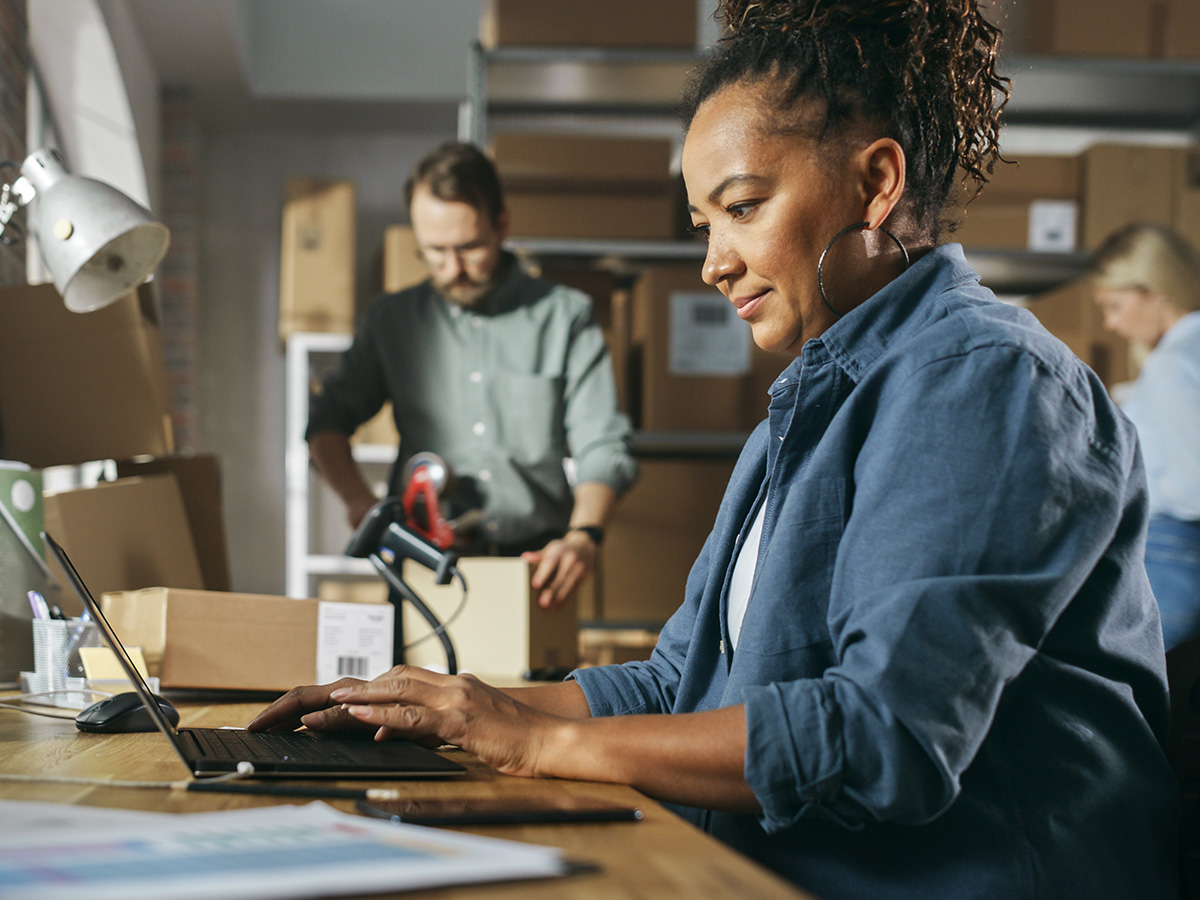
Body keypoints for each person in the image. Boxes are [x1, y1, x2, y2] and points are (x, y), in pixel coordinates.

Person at [252, 2, 1179, 896]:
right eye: (705, 226)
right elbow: (676, 681)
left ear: (876, 183)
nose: (712, 262)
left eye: (741, 207)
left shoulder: (986, 381)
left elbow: (882, 737)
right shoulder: (815, 393)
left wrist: (534, 741)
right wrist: (455, 709)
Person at [306, 142, 637, 610]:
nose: (453, 269)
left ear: (501, 223)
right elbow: (325, 423)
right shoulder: (392, 321)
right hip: (422, 567)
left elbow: (601, 443)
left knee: (523, 687)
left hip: (534, 571)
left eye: (469, 248)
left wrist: (585, 535)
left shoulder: (565, 317)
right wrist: (360, 503)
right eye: (434, 253)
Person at [1091, 222, 1200, 649]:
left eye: (1114, 305)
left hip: (1168, 552)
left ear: (1154, 289)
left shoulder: (1173, 365)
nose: (1111, 324)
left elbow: (1194, 485)